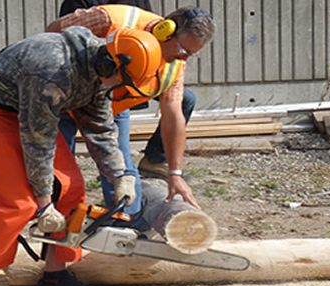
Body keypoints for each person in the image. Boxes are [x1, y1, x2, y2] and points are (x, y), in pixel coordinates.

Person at [0, 26, 163, 286]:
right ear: (110, 63)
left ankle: (56, 276)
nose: (118, 89)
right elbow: (39, 141)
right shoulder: (52, 73)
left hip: (36, 114)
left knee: (71, 188)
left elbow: (99, 129)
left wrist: (120, 175)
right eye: (121, 81)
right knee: (18, 203)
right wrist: (44, 204)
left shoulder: (99, 70)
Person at [48, 4, 215, 216]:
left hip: (109, 107)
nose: (184, 59)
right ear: (165, 31)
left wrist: (175, 174)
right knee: (60, 171)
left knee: (122, 173)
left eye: (191, 54)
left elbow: (173, 115)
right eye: (183, 51)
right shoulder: (111, 19)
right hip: (65, 99)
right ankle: (55, 224)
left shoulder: (174, 63)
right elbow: (52, 31)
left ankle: (125, 223)